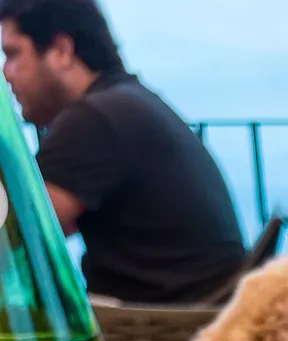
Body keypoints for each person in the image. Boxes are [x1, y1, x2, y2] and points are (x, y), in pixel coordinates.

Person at [0, 0, 246, 302]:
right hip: (205, 311)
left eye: (12, 54)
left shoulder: (94, 118)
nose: (6, 73)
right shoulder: (126, 103)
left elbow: (11, 236)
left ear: (61, 51)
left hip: (159, 324)